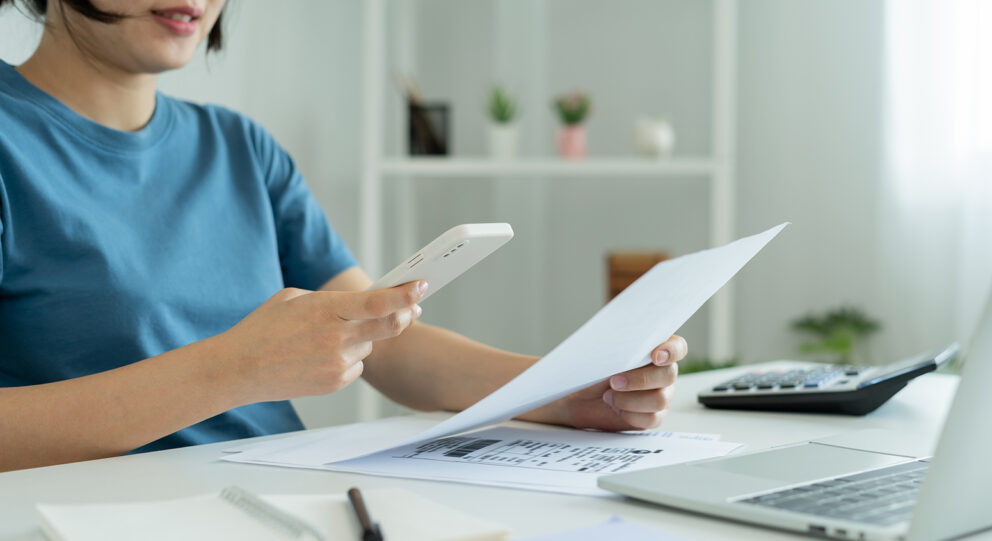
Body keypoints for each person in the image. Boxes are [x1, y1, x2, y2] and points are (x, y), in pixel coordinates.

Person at [0, 0, 686, 473]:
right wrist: (236, 368)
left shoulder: (240, 147)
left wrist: (564, 391)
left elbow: (384, 341)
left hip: (280, 494)